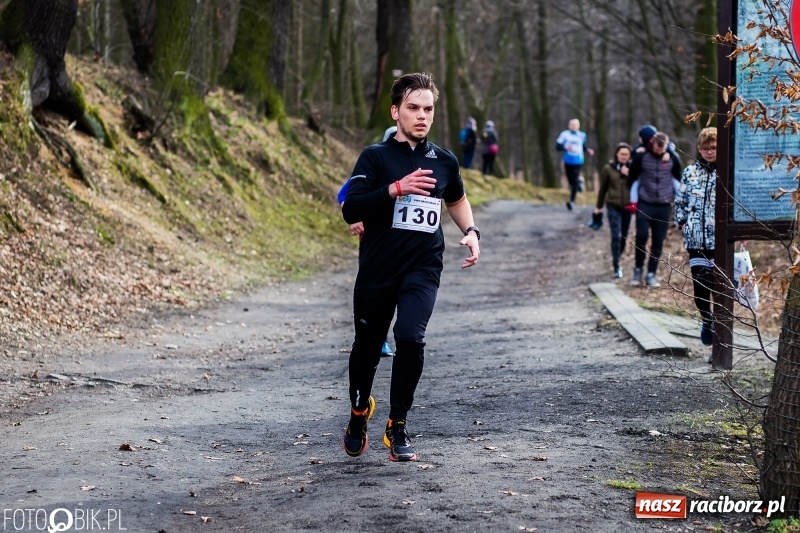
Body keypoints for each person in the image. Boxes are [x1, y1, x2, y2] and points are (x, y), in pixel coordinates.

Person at [341, 72, 481, 462]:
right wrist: (395, 189)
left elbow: (456, 199)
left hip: (423, 265)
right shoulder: (376, 157)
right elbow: (351, 207)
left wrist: (470, 230)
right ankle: (358, 414)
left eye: (428, 109)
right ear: (396, 112)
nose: (422, 116)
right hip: (378, 268)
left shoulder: (444, 160)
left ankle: (397, 424)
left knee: (410, 336)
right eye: (413, 108)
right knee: (367, 349)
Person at [337, 126, 398, 358]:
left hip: (403, 242)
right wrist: (354, 220)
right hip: (373, 242)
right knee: (375, 293)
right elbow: (344, 196)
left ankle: (394, 334)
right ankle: (375, 338)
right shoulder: (372, 167)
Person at [674, 127, 717, 347]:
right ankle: (706, 319)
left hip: (719, 241)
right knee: (700, 288)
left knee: (718, 287)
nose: (710, 152)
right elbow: (680, 200)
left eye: (714, 148)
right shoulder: (690, 172)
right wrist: (682, 222)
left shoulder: (727, 173)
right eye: (706, 148)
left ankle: (721, 330)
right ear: (699, 149)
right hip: (695, 240)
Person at [627, 131, 682, 287]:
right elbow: (632, 177)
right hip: (645, 202)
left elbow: (679, 177)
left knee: (658, 240)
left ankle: (651, 273)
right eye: (657, 149)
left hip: (664, 205)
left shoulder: (672, 158)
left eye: (663, 149)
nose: (660, 152)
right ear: (652, 145)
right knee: (641, 236)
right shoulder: (642, 157)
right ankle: (638, 269)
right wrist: (632, 199)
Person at [593, 143, 633, 279]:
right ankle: (616, 265)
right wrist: (598, 207)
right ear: (616, 154)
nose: (624, 157)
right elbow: (603, 189)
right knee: (616, 235)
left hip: (628, 207)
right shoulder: (608, 169)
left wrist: (629, 175)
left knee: (623, 237)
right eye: (622, 154)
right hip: (613, 205)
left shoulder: (632, 168)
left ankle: (618, 257)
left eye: (626, 155)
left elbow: (637, 186)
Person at [556, 118, 594, 210]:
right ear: (569, 125)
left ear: (578, 126)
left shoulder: (582, 135)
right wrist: (565, 147)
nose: (573, 126)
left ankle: (571, 201)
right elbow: (557, 146)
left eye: (575, 124)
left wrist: (588, 150)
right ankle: (579, 182)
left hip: (578, 160)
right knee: (571, 181)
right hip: (568, 160)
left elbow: (583, 145)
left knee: (574, 181)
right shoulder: (564, 134)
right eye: (572, 124)